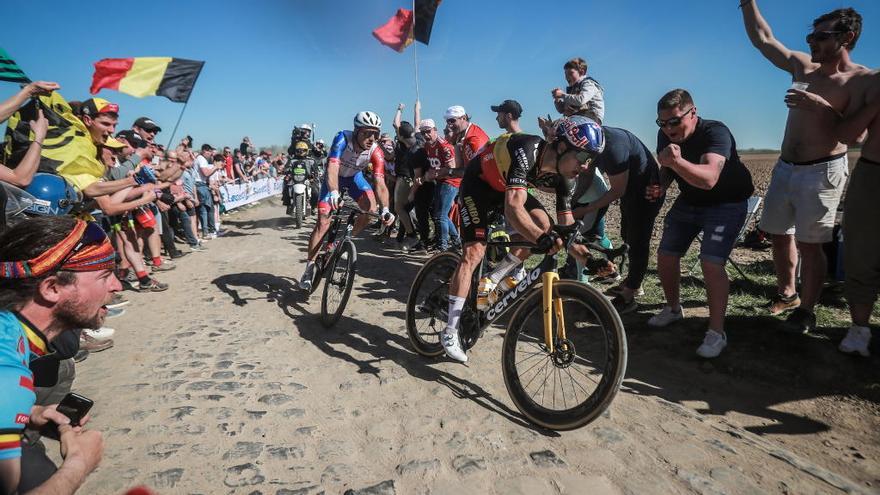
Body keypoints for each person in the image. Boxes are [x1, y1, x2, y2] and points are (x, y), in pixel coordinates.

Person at [741, 2, 867, 333]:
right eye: (811, 35)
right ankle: (787, 293)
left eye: (821, 36)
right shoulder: (802, 67)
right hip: (786, 167)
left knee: (812, 244)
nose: (811, 42)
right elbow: (764, 39)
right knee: (779, 235)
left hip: (822, 171)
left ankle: (807, 311)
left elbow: (859, 134)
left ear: (847, 37)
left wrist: (823, 107)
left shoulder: (859, 81)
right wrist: (747, 2)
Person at [441, 116, 605, 363]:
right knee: (474, 252)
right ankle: (450, 330)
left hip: (507, 188)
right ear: (561, 147)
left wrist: (591, 261)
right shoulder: (526, 149)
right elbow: (513, 208)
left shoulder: (565, 179)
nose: (585, 166)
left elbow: (567, 228)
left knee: (546, 227)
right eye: (582, 157)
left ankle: (494, 278)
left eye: (590, 160)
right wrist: (542, 239)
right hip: (480, 185)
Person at [0, 216, 110, 494]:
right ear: (52, 288)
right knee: (38, 473)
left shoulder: (11, 334)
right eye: (105, 276)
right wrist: (80, 463)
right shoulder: (7, 374)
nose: (117, 286)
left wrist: (30, 412)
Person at [646, 89, 755, 358]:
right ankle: (673, 309)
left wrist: (677, 161)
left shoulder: (715, 133)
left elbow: (708, 179)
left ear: (692, 113)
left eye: (674, 121)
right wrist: (661, 183)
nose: (669, 129)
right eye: (662, 123)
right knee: (666, 255)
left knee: (710, 262)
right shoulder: (666, 134)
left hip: (726, 203)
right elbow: (668, 167)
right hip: (690, 200)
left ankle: (717, 333)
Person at [298, 111, 395, 291]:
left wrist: (386, 209)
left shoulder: (376, 151)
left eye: (375, 133)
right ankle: (309, 267)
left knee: (371, 211)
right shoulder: (343, 138)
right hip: (333, 178)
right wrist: (334, 192)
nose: (371, 138)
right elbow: (333, 167)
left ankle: (342, 243)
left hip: (354, 179)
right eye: (366, 132)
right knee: (323, 221)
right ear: (356, 131)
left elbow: (380, 182)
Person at [571, 126, 663, 313]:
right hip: (630, 193)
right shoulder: (592, 145)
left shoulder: (613, 147)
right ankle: (633, 282)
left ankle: (630, 295)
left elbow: (616, 190)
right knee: (627, 236)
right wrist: (572, 202)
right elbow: (586, 175)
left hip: (646, 192)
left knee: (637, 241)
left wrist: (586, 208)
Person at [418, 119, 460, 251]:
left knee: (440, 215)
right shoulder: (427, 146)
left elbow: (451, 170)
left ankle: (443, 246)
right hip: (440, 181)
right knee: (441, 214)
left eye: (428, 131)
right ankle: (456, 241)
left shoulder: (444, 146)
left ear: (435, 130)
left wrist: (432, 175)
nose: (426, 135)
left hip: (450, 181)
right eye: (423, 132)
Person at [552, 57, 605, 124]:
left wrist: (562, 95)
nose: (567, 77)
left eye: (570, 73)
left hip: (592, 117)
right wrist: (557, 99)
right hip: (579, 117)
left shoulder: (588, 84)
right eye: (565, 75)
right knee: (558, 125)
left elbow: (581, 100)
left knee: (563, 124)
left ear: (581, 72)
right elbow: (561, 110)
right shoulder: (573, 89)